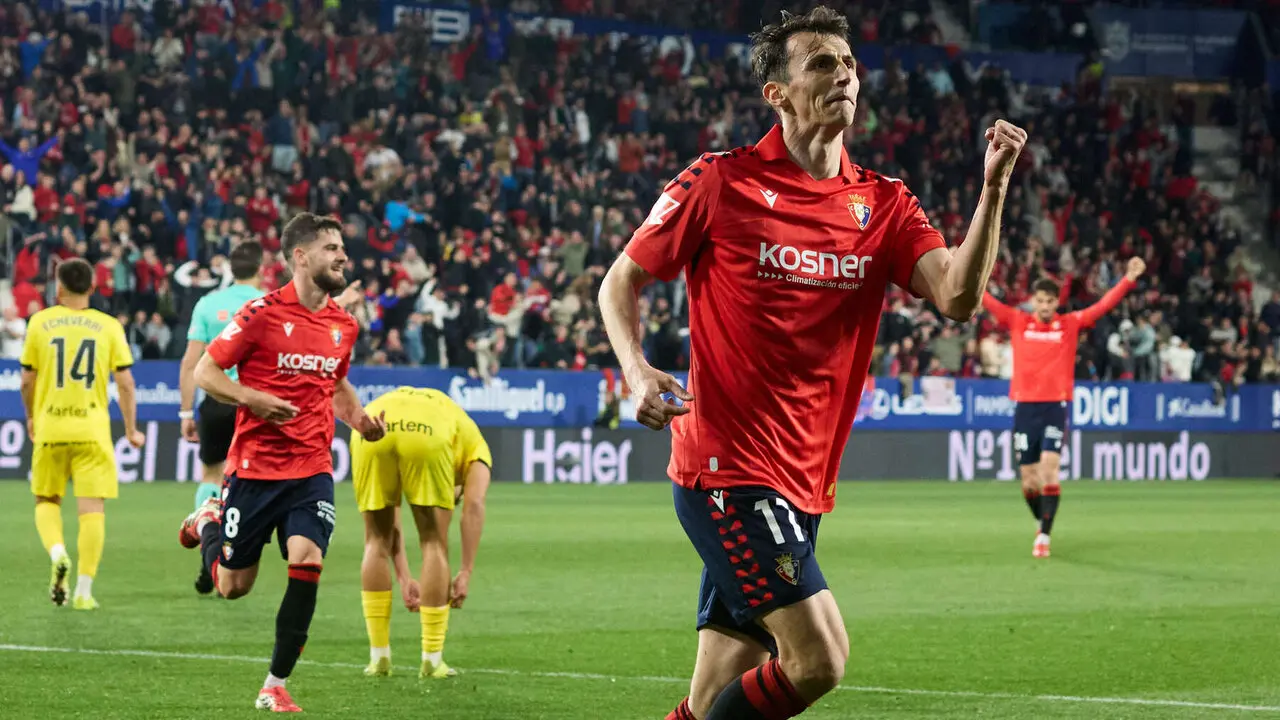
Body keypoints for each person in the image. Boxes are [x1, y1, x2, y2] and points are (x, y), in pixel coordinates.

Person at [598, 7, 1026, 719]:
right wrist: (636, 370)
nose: (844, 76)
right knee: (818, 659)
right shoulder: (719, 181)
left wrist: (994, 188)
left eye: (850, 64)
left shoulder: (884, 203)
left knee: (709, 699)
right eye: (823, 64)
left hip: (804, 482)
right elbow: (621, 279)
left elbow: (956, 295)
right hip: (727, 471)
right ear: (779, 92)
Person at [176, 212, 388, 713]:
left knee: (307, 559)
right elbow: (207, 372)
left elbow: (334, 385)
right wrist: (252, 398)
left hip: (311, 469)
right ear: (301, 256)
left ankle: (275, 683)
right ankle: (207, 519)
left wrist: (359, 421)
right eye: (331, 248)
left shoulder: (343, 324)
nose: (342, 256)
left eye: (342, 248)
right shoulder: (260, 314)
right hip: (253, 469)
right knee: (233, 587)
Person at [982, 257, 1145, 558]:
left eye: (1049, 301)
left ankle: (1044, 536)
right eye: (1040, 300)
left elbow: (1103, 306)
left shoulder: (1068, 325)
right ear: (1033, 301)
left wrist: (1129, 279)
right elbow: (984, 298)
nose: (1044, 306)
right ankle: (1041, 518)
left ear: (1057, 302)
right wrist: (956, 265)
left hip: (1055, 406)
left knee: (1049, 468)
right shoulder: (1018, 320)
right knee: (1029, 480)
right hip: (1025, 408)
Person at [19, 258, 145, 610]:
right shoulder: (107, 326)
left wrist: (30, 417)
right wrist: (132, 430)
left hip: (51, 427)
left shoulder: (40, 323)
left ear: (58, 288)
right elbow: (126, 383)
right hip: (92, 431)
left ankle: (58, 552)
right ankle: (84, 592)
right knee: (92, 511)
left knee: (46, 500)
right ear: (93, 287)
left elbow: (27, 379)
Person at [350, 386, 492, 680]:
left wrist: (404, 577)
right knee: (433, 544)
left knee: (375, 541)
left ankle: (378, 659)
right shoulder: (475, 444)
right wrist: (465, 571)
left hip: (372, 420)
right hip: (428, 431)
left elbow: (394, 516)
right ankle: (431, 659)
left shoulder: (449, 414)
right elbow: (475, 503)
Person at [177, 241, 266, 595]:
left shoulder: (208, 304)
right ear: (260, 268)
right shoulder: (268, 303)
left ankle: (207, 548)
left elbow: (190, 362)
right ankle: (234, 552)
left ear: (230, 268)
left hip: (214, 401)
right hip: (252, 402)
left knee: (211, 475)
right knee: (249, 477)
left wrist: (186, 411)